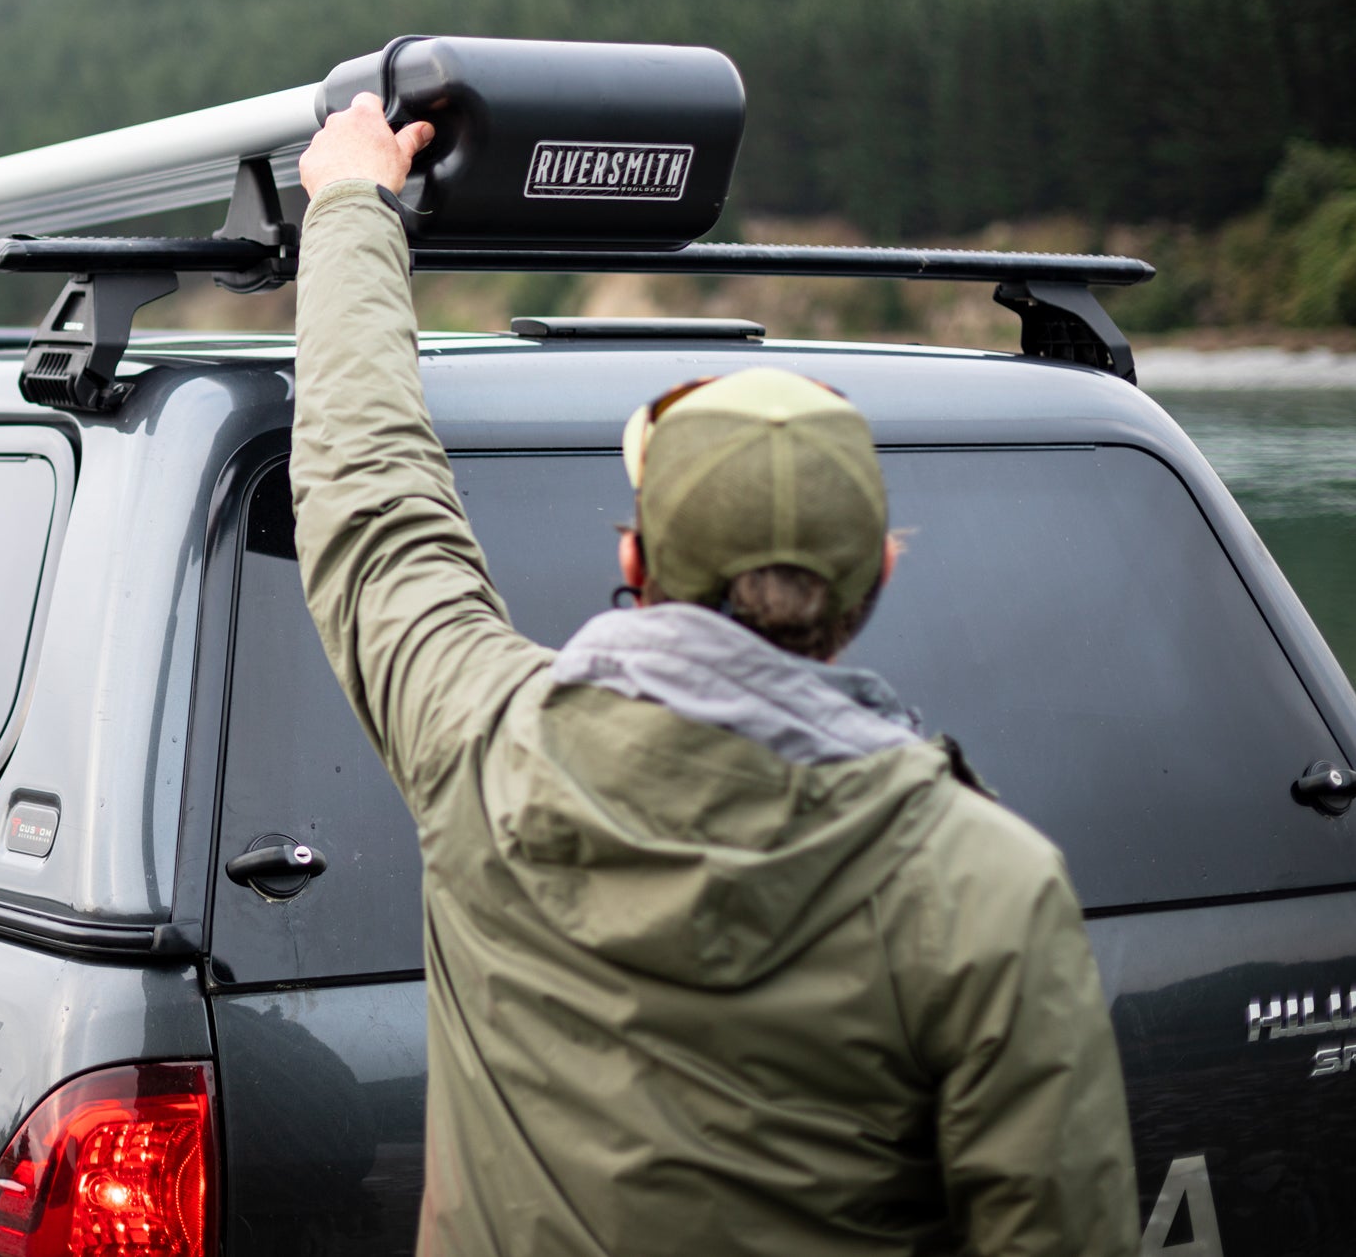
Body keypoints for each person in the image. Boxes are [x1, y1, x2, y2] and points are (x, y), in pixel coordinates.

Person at [289, 93, 1139, 1256]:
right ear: (876, 579)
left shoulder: (482, 747)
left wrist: (351, 208)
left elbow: (370, 494)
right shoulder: (986, 884)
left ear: (632, 557)